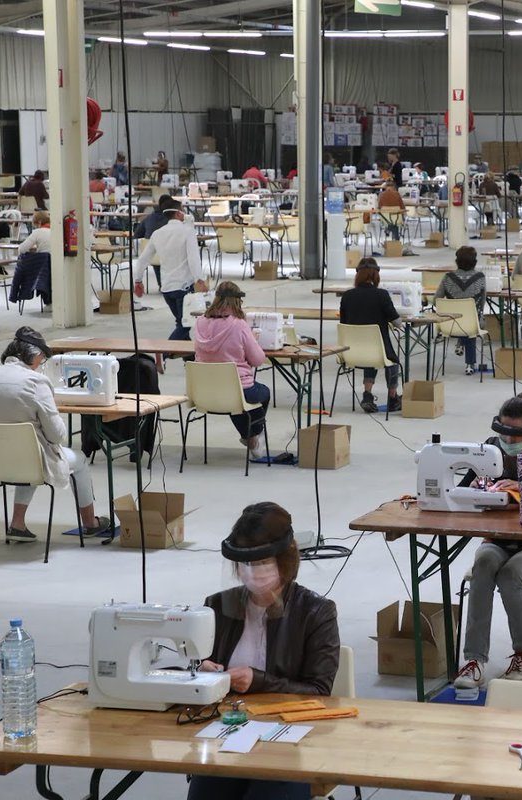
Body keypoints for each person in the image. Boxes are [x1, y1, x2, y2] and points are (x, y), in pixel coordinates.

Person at [192, 501, 339, 800]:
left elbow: (320, 691)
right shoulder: (217, 606)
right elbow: (192, 670)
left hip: (288, 743)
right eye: (245, 565)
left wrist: (258, 681)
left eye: (261, 563)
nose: (252, 573)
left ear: (285, 561)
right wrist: (199, 673)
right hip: (226, 736)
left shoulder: (316, 612)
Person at [452, 394, 522, 688]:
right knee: (484, 566)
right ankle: (474, 660)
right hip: (498, 540)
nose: (507, 439)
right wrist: (476, 486)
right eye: (503, 431)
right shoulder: (490, 448)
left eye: (514, 434)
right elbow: (461, 492)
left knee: (511, 574)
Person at [0, 328, 111, 541]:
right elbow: (57, 436)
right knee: (76, 460)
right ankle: (91, 523)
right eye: (43, 359)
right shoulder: (36, 382)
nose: (41, 364)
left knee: (28, 451)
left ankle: (17, 524)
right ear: (36, 356)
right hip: (29, 462)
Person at [193, 281, 270, 460]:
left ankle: (249, 437)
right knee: (261, 394)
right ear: (237, 302)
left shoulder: (199, 323)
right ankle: (252, 436)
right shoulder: (239, 325)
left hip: (204, 392)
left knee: (234, 400)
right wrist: (252, 340)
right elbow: (258, 360)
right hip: (234, 390)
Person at [135, 198, 207, 340]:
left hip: (167, 288)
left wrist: (138, 280)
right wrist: (200, 279)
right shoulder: (188, 232)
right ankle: (164, 354)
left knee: (181, 322)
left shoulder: (157, 234)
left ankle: (189, 359)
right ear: (179, 214)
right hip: (184, 287)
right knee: (185, 325)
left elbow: (143, 259)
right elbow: (193, 259)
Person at [339, 258, 403, 413]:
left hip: (351, 352)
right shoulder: (381, 295)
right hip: (376, 351)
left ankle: (367, 395)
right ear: (376, 276)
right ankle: (393, 398)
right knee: (392, 360)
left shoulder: (347, 296)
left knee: (371, 352)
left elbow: (343, 322)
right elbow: (397, 323)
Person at [434, 246, 486, 375]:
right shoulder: (480, 278)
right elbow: (482, 302)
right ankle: (470, 364)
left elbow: (436, 300)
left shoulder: (448, 278)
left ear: (457, 261)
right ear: (475, 261)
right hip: (471, 322)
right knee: (471, 321)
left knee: (462, 319)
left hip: (449, 324)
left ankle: (460, 341)